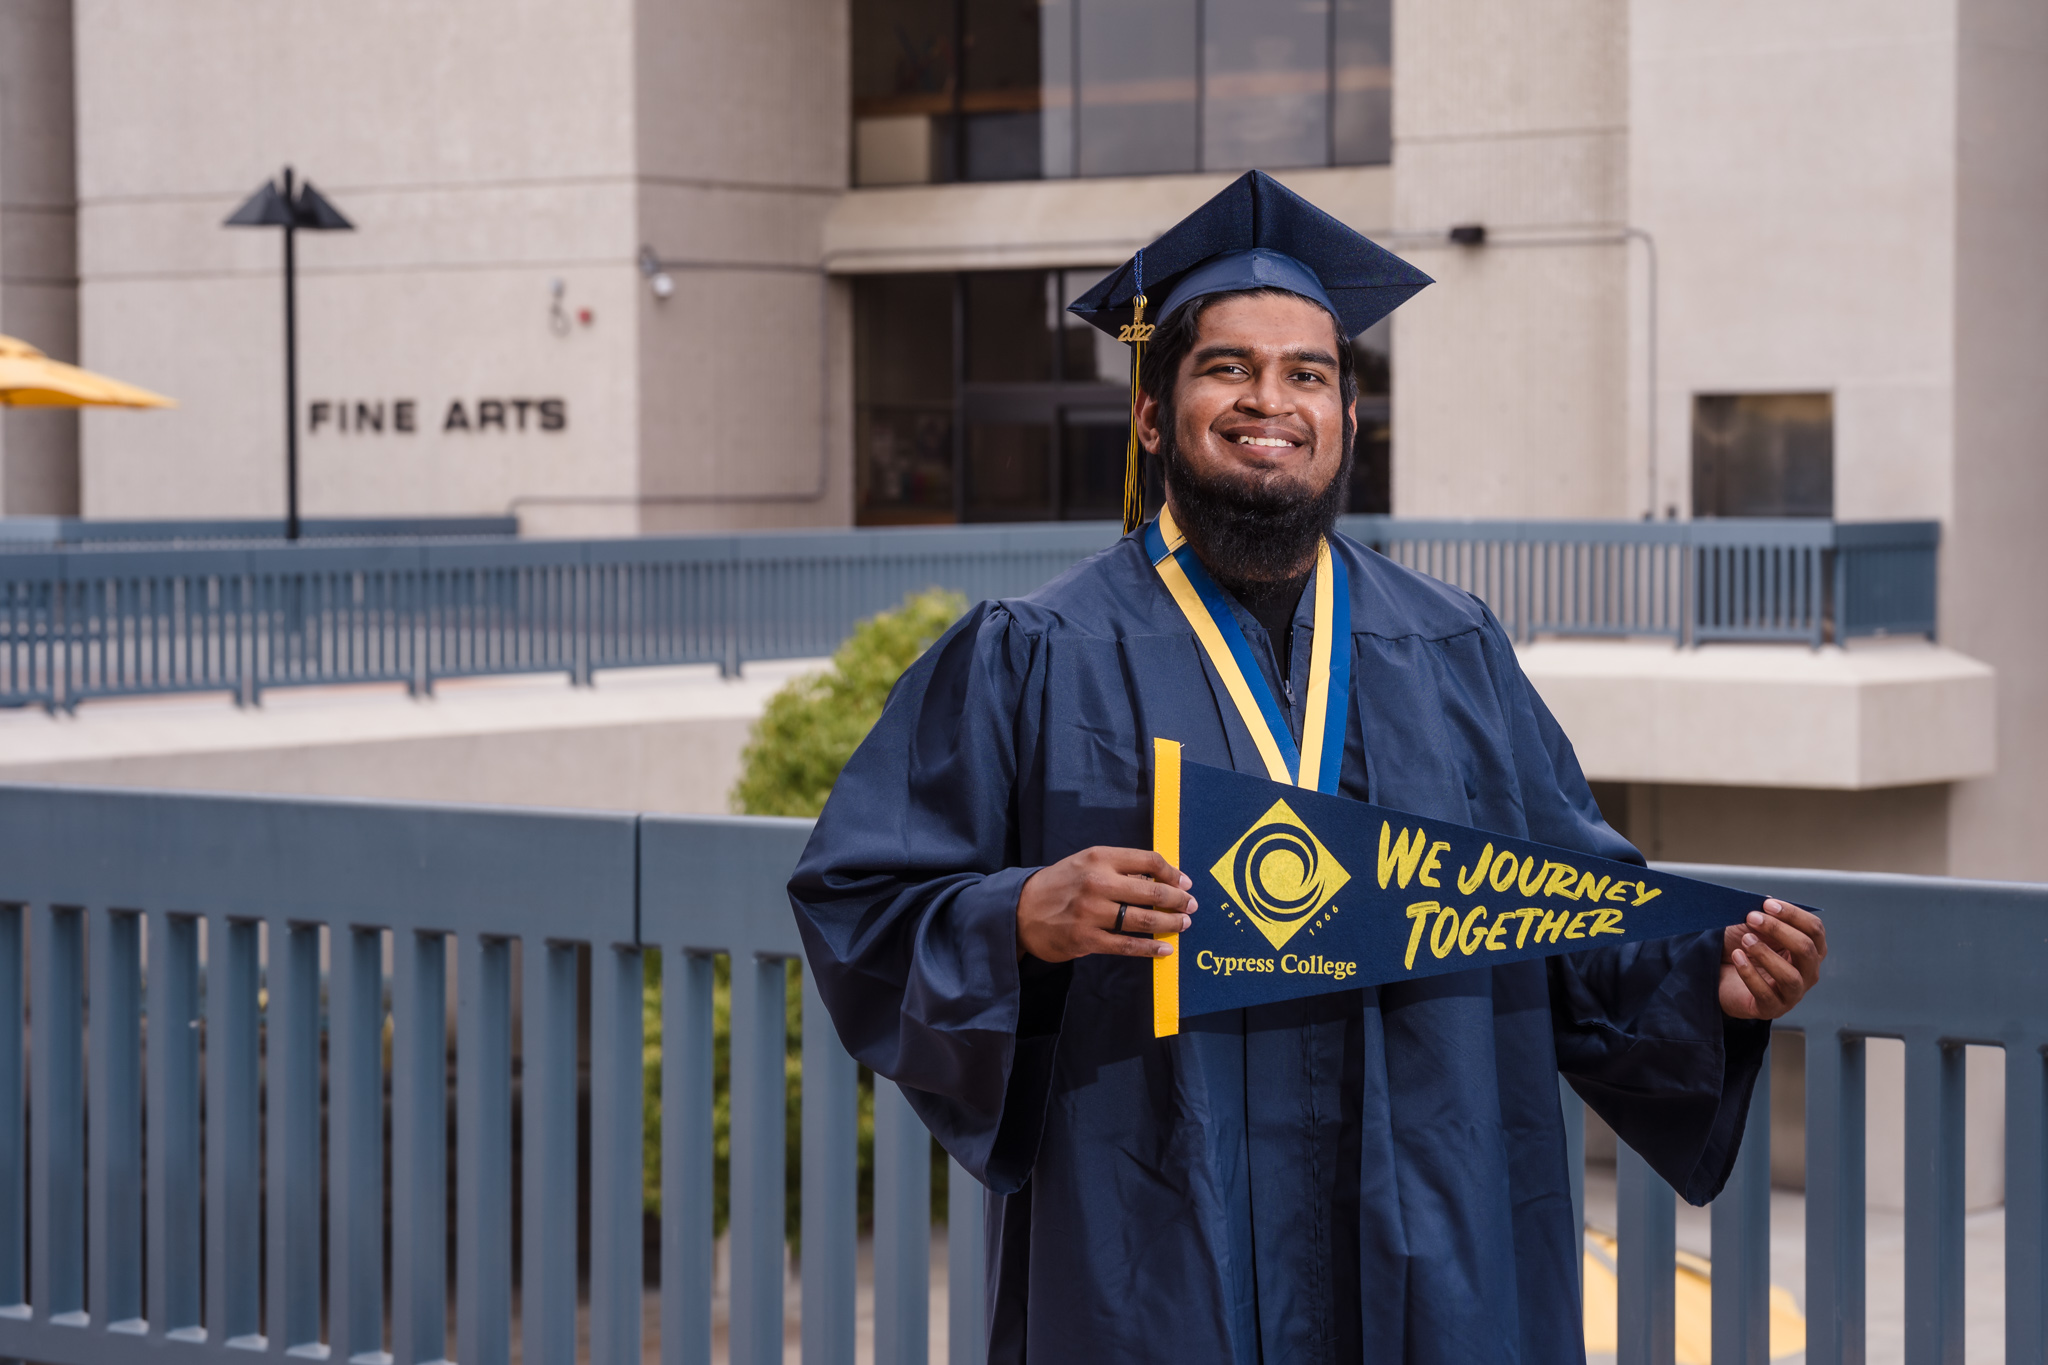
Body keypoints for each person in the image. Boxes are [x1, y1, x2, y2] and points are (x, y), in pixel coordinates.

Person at [789, 171, 1826, 1364]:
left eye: (1306, 373)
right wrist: (1016, 913)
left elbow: (1553, 901)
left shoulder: (1449, 650)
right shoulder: (1032, 655)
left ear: (1342, 419)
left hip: (1428, 1223)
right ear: (1148, 415)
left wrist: (1703, 982)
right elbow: (858, 899)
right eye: (1224, 366)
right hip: (1158, 1235)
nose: (1265, 400)